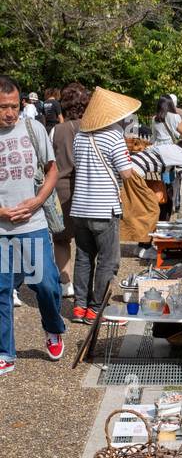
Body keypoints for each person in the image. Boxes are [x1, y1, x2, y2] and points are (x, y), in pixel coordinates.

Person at [0, 74, 66, 373]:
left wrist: (38, 200)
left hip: (33, 225)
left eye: (14, 105)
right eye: (2, 107)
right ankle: (6, 352)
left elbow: (53, 170)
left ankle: (52, 327)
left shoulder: (33, 127)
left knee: (46, 284)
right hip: (1, 229)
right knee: (1, 289)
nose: (9, 112)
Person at [70, 87, 139, 323]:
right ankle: (96, 308)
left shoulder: (80, 135)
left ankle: (79, 307)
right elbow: (126, 173)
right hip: (104, 207)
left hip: (79, 207)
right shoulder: (113, 135)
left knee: (83, 257)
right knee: (108, 260)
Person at [51, 82, 91, 297]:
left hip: (62, 188)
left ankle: (65, 282)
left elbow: (49, 162)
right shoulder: (94, 127)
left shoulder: (57, 130)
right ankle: (85, 285)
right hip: (89, 187)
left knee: (61, 238)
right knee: (88, 240)